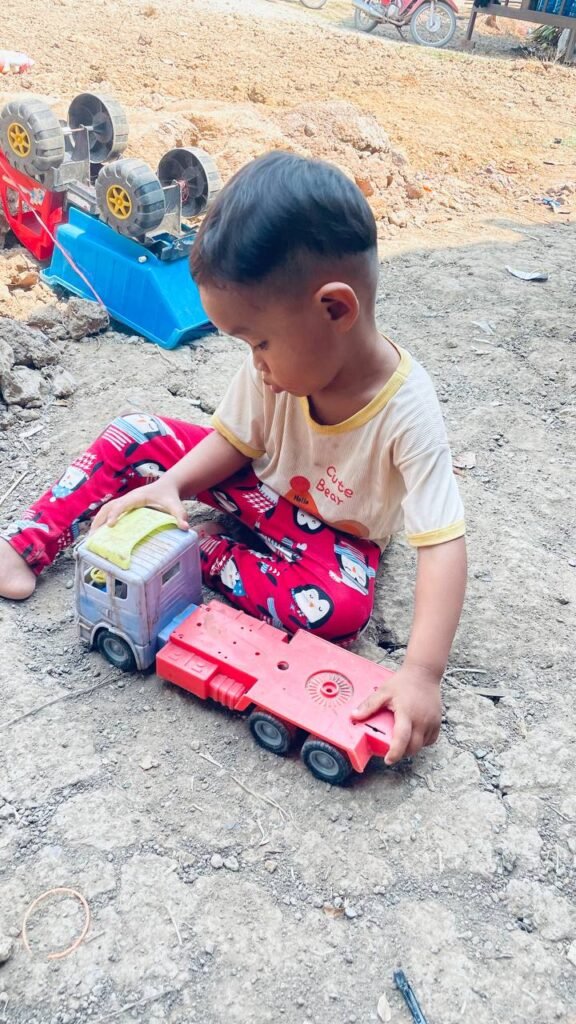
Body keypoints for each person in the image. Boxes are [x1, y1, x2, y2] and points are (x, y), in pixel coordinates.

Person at [0, 152, 467, 765]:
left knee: (341, 609)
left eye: (260, 341)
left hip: (332, 543)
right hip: (252, 492)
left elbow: (442, 543)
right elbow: (235, 441)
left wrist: (422, 672)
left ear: (335, 309)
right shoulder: (271, 369)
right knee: (134, 430)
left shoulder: (408, 410)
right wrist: (173, 484)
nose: (257, 362)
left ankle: (197, 554)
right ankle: (30, 541)